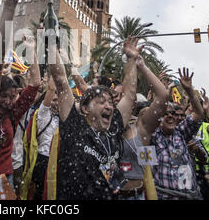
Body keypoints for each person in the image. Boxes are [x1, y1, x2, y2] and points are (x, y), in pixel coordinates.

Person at [48, 37, 141, 200]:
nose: (109, 107)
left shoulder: (113, 127)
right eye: (101, 101)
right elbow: (61, 82)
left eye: (111, 102)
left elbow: (130, 96)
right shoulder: (74, 127)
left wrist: (131, 60)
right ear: (85, 109)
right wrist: (49, 44)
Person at [0, 36, 41, 190]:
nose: (7, 102)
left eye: (11, 97)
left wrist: (31, 50)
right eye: (3, 96)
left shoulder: (12, 114)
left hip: (4, 180)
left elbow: (35, 84)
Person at [150, 67, 205, 200]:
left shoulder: (181, 132)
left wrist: (190, 91)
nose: (170, 116)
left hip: (190, 196)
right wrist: (160, 89)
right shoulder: (152, 136)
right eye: (166, 113)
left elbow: (198, 113)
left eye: (173, 113)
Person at [119, 54, 169, 200]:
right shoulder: (101, 129)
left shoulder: (140, 129)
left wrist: (141, 66)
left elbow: (162, 97)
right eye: (114, 97)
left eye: (122, 97)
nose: (118, 100)